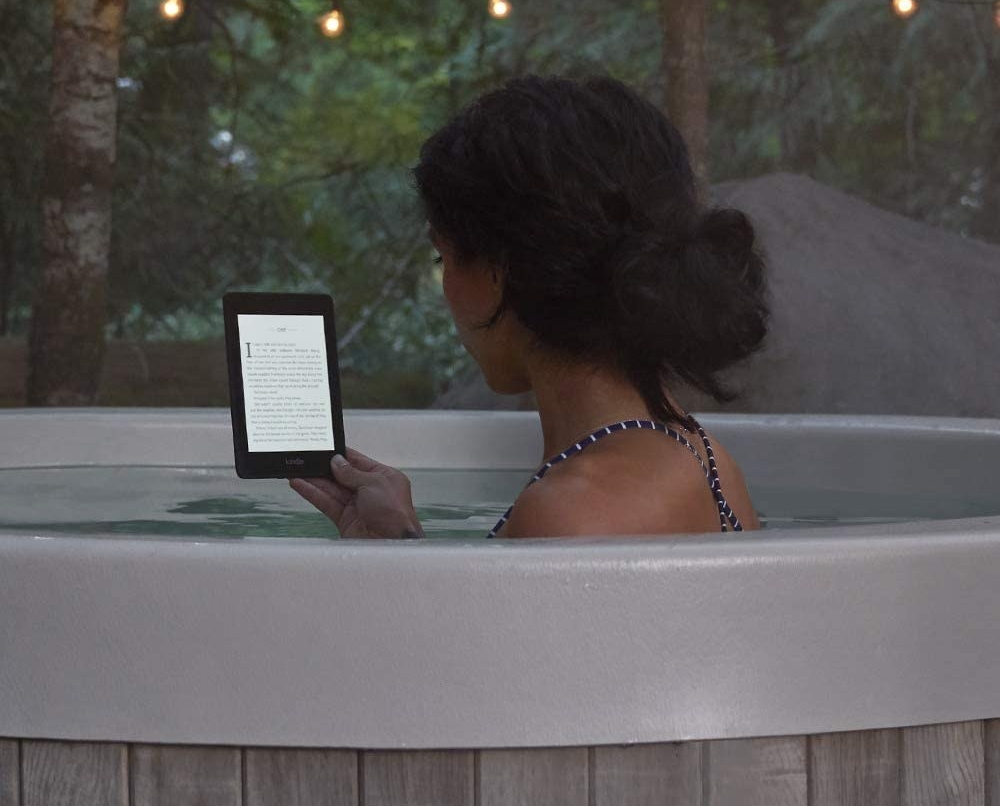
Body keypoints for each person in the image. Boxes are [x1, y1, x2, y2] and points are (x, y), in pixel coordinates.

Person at [290, 74, 770, 538]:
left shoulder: (568, 510)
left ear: (499, 273)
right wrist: (402, 542)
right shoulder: (710, 462)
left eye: (444, 256)